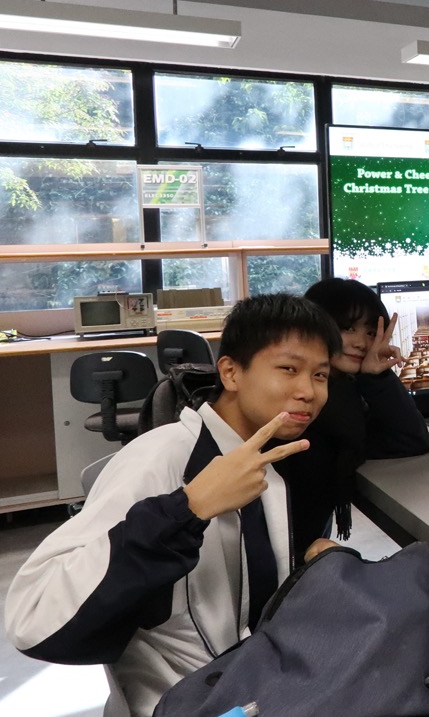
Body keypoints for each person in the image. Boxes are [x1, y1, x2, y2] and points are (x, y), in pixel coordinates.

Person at [6, 294, 341, 717]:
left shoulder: (263, 465)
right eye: (289, 369)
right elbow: (34, 619)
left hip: (251, 685)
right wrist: (189, 509)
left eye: (321, 375)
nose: (308, 391)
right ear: (231, 372)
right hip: (182, 701)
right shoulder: (162, 459)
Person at [297, 278, 429, 555]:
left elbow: (409, 440)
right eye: (347, 328)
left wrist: (377, 376)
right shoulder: (301, 404)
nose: (361, 343)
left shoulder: (346, 397)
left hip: (310, 545)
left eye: (371, 332)